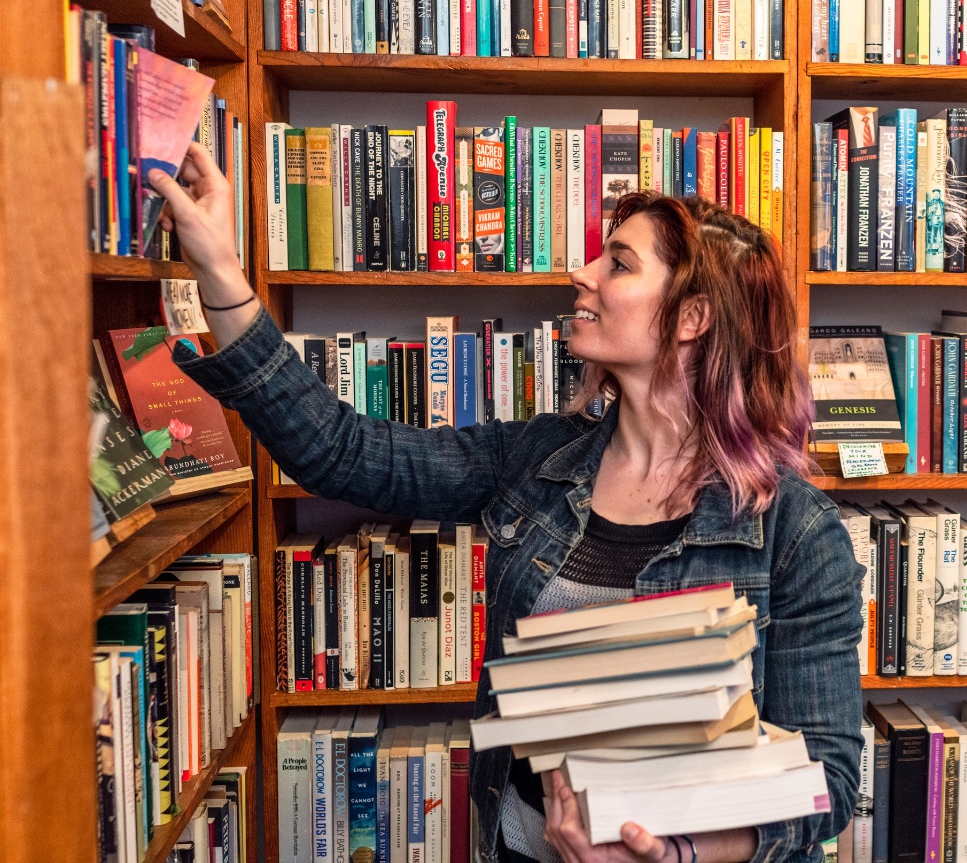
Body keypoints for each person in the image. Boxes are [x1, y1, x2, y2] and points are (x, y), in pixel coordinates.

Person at [152, 143, 865, 863]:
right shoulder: (537, 458)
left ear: (693, 318)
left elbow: (827, 780)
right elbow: (341, 451)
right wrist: (220, 268)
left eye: (618, 264)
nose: (581, 274)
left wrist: (672, 853)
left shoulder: (796, 532)